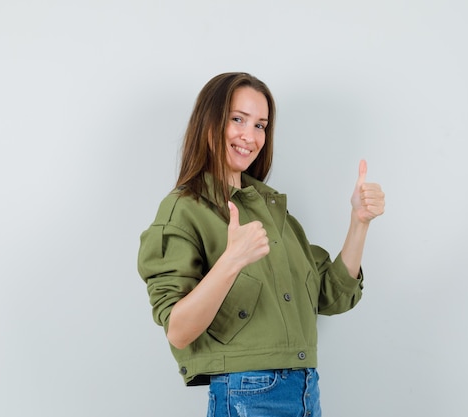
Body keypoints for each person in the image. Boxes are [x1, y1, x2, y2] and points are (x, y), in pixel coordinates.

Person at [137, 72, 385, 417]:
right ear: (210, 123)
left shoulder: (269, 208)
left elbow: (329, 294)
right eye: (237, 119)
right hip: (247, 394)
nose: (250, 136)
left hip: (304, 390)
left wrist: (359, 222)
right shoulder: (184, 209)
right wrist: (231, 261)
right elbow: (177, 330)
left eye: (260, 125)